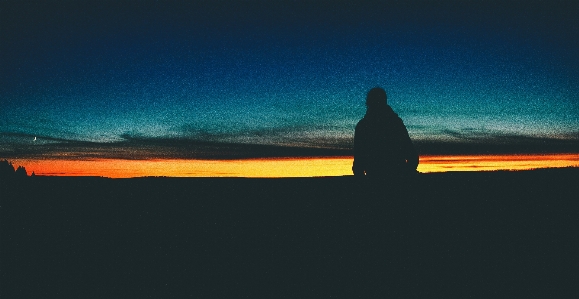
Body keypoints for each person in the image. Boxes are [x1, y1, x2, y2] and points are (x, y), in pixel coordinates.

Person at [352, 87, 418, 177]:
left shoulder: (363, 126)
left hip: (380, 177)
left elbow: (359, 161)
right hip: (394, 176)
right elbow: (410, 152)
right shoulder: (395, 122)